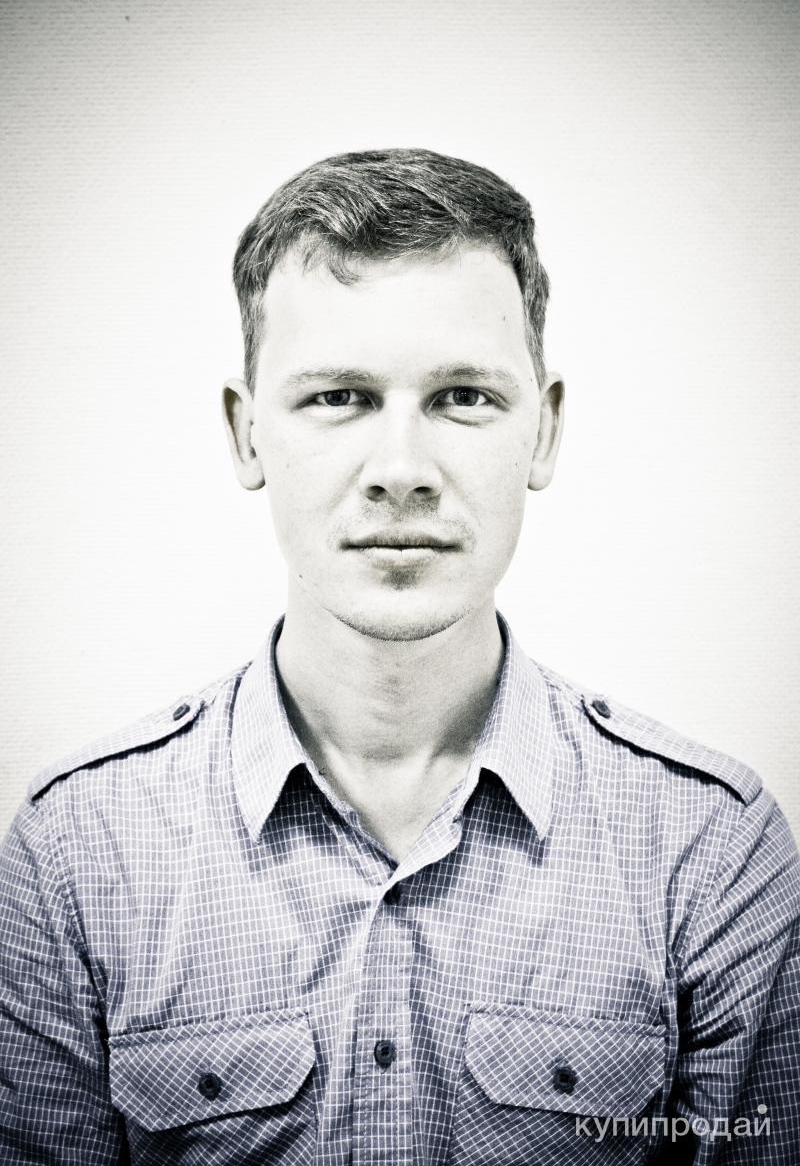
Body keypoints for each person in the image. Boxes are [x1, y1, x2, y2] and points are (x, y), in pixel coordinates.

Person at [0, 148, 797, 1165]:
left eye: (462, 396)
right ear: (246, 435)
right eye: (339, 397)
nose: (402, 471)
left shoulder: (709, 849)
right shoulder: (78, 856)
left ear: (544, 430)